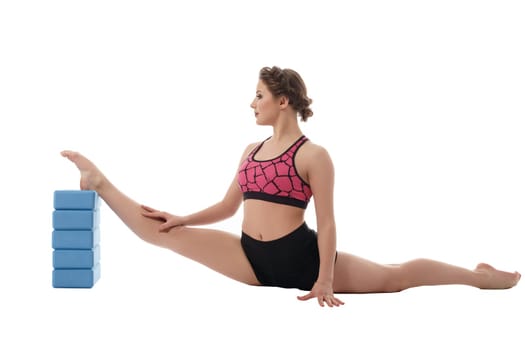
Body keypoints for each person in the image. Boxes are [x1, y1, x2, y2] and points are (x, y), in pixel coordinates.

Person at [61, 66, 520, 307]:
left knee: (395, 277)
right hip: (250, 259)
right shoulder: (249, 150)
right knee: (161, 232)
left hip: (302, 259)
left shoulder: (313, 155)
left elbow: (329, 223)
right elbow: (227, 205)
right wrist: (184, 217)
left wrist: (323, 278)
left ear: (283, 101)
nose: (251, 102)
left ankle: (479, 278)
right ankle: (100, 182)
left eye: (258, 95)